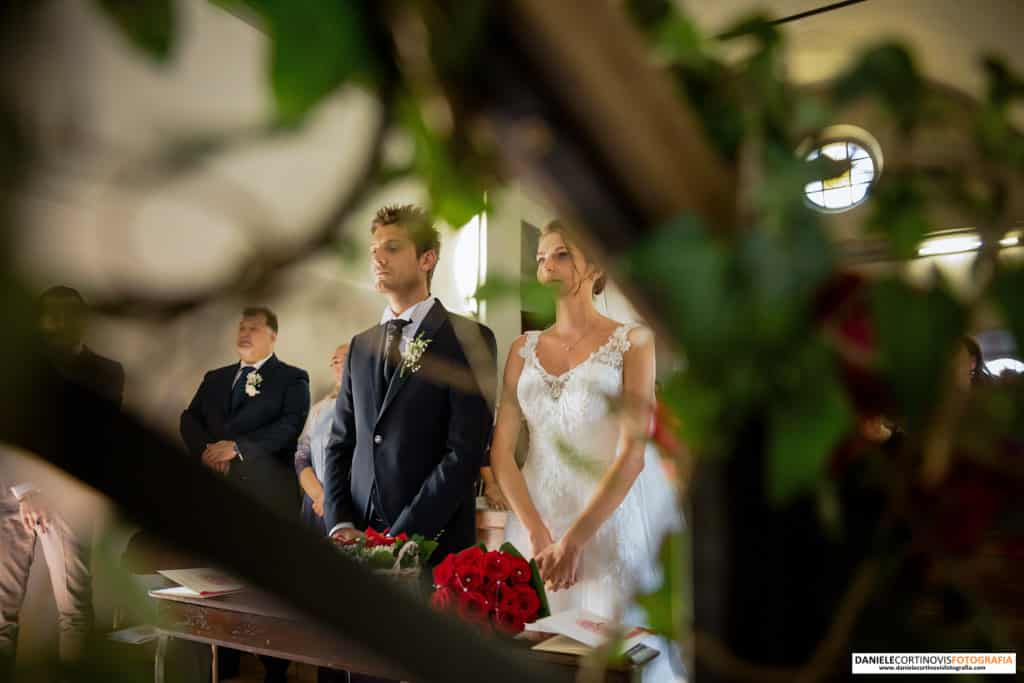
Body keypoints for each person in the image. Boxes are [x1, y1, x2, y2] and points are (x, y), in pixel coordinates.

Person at [489, 221, 683, 681]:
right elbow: (502, 455)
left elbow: (633, 454)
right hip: (535, 522)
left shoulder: (633, 341)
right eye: (540, 258)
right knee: (534, 659)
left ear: (594, 264)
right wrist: (538, 536)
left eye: (560, 255)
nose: (547, 266)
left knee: (610, 664)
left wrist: (573, 541)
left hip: (604, 525)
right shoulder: (522, 349)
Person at [322, 204, 497, 681]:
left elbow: (464, 452)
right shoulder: (360, 344)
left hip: (433, 548)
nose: (378, 259)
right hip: (358, 548)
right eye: (375, 250)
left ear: (427, 259)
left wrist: (402, 538)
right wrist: (339, 524)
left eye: (393, 248)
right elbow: (340, 444)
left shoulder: (468, 338)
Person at [0, 286, 124, 681]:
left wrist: (50, 491)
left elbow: (93, 439)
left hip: (67, 498)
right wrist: (28, 491)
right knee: (0, 612)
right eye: (49, 315)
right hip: (12, 494)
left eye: (67, 314)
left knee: (74, 611)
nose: (57, 323)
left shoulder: (107, 371)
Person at [179, 306, 309, 683]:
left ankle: (275, 669)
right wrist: (208, 450)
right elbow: (189, 418)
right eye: (241, 327)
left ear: (273, 336)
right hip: (218, 499)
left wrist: (236, 448)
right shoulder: (216, 377)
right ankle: (224, 666)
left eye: (253, 328)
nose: (244, 333)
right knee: (218, 583)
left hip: (266, 501)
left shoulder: (291, 378)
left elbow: (288, 428)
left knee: (267, 587)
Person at [295, 344, 348, 535]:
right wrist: (319, 495)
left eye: (344, 357)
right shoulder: (319, 410)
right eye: (334, 360)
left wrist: (333, 499)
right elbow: (302, 456)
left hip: (349, 503)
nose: (337, 362)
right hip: (317, 503)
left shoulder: (368, 408)